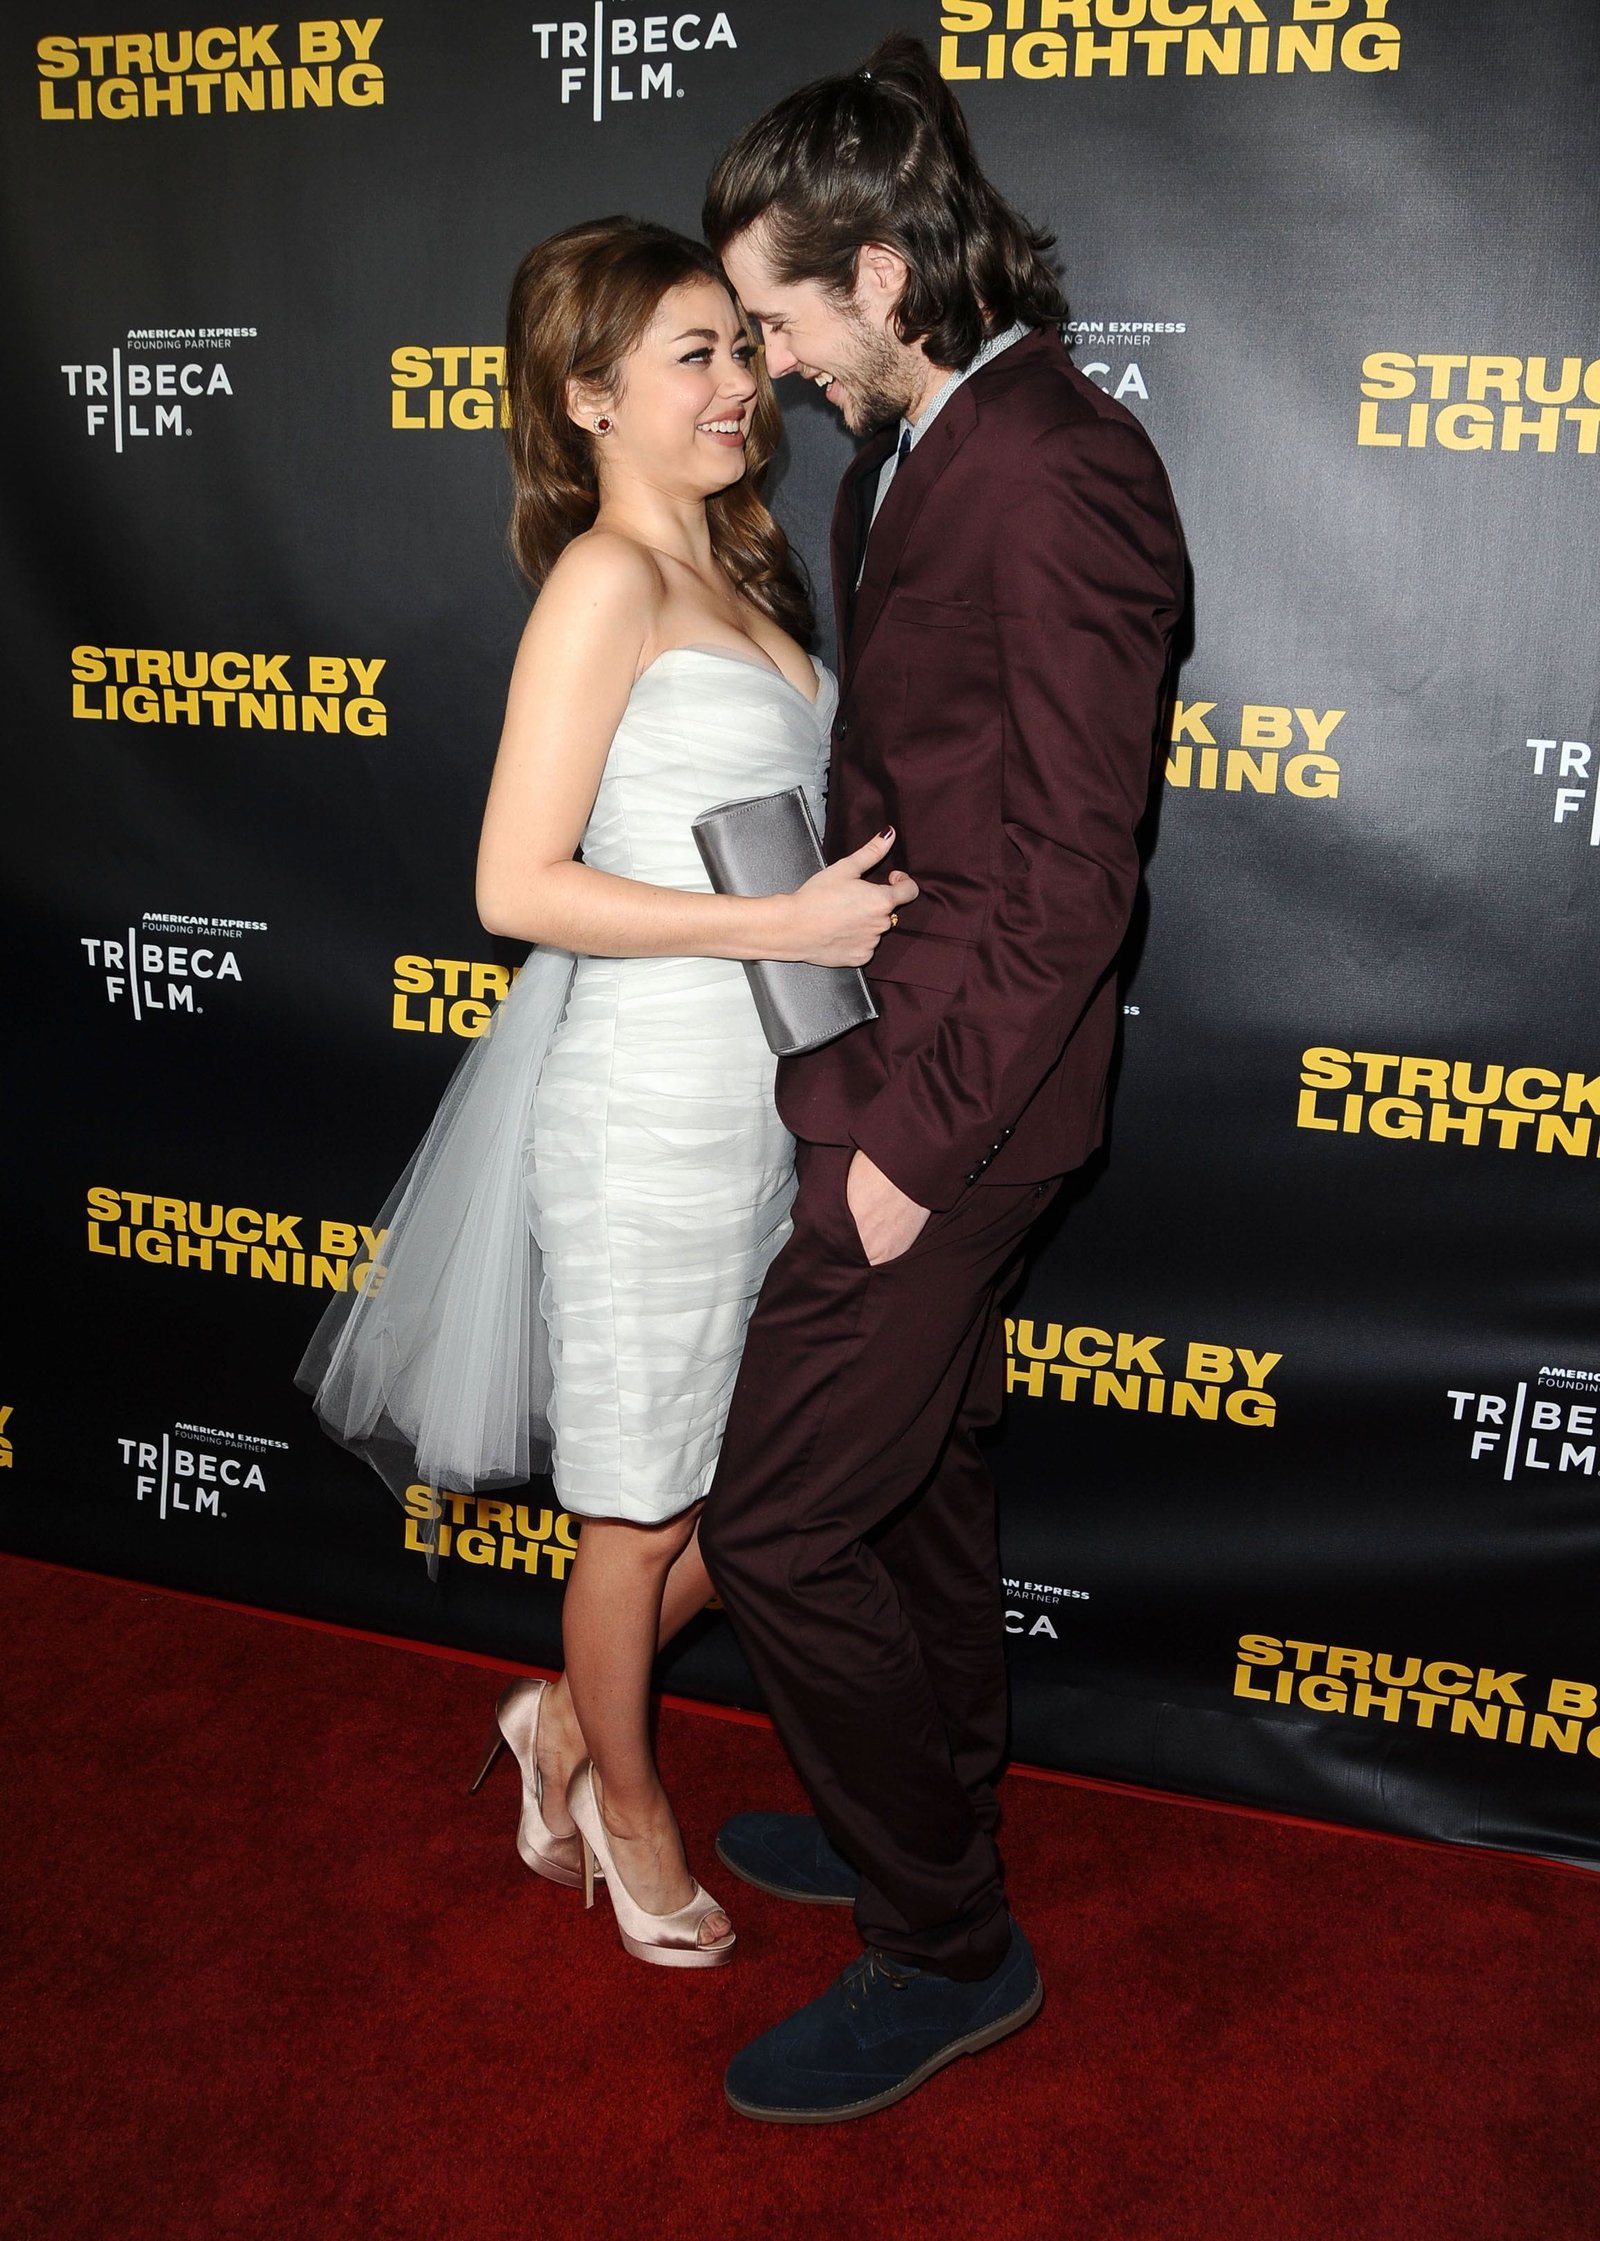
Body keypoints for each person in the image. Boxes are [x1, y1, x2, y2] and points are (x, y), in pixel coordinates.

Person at [297, 217, 914, 1969]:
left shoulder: (746, 572)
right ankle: (624, 1803)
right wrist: (776, 922)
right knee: (640, 1509)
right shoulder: (603, 583)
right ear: (588, 399)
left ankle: (562, 1714)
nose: (741, 385)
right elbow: (515, 884)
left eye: (742, 346)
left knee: (759, 1479)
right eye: (693, 356)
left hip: (773, 1108)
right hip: (647, 1117)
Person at [697, 36, 1187, 2114]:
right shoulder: (896, 456)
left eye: (782, 318)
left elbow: (1074, 874)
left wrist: (907, 1142)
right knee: (919, 1478)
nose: (772, 362)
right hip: (896, 1054)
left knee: (778, 1517)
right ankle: (920, 1802)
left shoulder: (1061, 466)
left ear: (883, 276)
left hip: (960, 1102)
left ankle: (944, 1938)